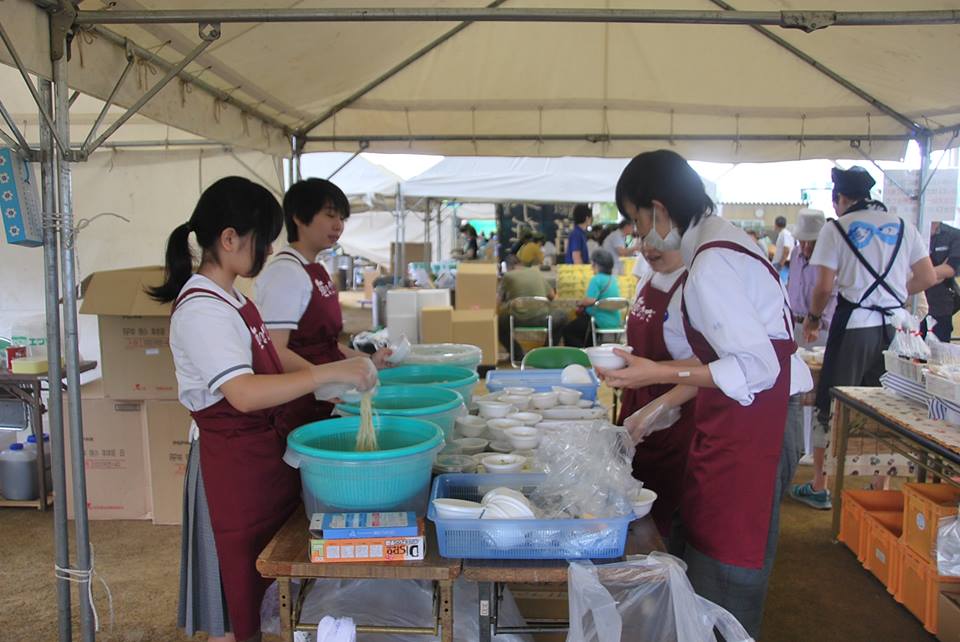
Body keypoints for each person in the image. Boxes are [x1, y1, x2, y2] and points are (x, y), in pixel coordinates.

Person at [151, 177, 378, 642]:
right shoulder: (201, 309)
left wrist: (335, 374)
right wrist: (322, 376)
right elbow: (244, 393)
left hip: (258, 459)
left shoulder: (235, 297)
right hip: (229, 470)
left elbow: (272, 362)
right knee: (233, 604)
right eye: (263, 240)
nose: (270, 251)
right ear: (229, 238)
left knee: (262, 584)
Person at [597, 150, 812, 638]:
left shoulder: (712, 262)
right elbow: (731, 355)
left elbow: (755, 367)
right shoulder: (719, 243)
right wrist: (655, 392)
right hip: (742, 423)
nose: (637, 236)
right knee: (710, 563)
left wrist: (656, 373)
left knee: (727, 570)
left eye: (637, 221)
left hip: (756, 426)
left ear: (660, 208)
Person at [801, 166, 936, 511]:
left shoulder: (836, 229)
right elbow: (928, 275)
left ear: (840, 199)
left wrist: (814, 319)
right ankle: (881, 485)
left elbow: (824, 286)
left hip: (854, 326)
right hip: (894, 328)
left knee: (832, 402)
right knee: (889, 405)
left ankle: (821, 484)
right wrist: (890, 295)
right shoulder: (905, 225)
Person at [254, 178, 392, 429]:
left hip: (324, 399)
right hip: (299, 403)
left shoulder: (314, 269)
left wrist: (367, 361)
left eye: (342, 218)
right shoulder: (286, 273)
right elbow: (275, 350)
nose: (338, 225)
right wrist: (323, 382)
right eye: (330, 215)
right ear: (298, 217)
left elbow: (325, 345)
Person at [617, 211, 697, 539]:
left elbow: (709, 363)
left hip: (673, 414)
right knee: (631, 497)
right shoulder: (648, 278)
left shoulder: (692, 286)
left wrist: (657, 408)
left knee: (658, 511)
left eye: (657, 239)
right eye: (641, 237)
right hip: (637, 401)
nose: (648, 248)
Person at [497, 254, 565, 360]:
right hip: (543, 318)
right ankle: (546, 352)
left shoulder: (507, 276)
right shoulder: (536, 273)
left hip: (517, 319)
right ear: (521, 263)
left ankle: (517, 354)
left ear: (508, 267)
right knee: (562, 316)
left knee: (497, 323)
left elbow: (498, 302)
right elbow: (553, 296)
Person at [787, 209, 837, 348]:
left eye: (813, 242)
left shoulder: (829, 258)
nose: (807, 246)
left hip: (818, 328)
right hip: (793, 324)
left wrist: (818, 323)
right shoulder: (795, 254)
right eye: (803, 241)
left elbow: (832, 295)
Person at [562, 248, 621, 347]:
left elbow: (590, 300)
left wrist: (579, 303)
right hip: (615, 321)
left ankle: (581, 354)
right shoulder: (613, 279)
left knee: (568, 330)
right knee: (583, 328)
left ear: (596, 265)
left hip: (598, 320)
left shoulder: (596, 279)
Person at [924, 221, 960, 342]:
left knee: (938, 355)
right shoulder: (906, 232)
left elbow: (950, 269)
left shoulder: (954, 235)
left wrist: (916, 277)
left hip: (940, 306)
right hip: (907, 306)